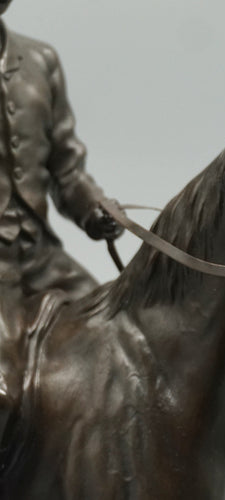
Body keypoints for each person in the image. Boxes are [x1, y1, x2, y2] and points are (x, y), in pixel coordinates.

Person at [0, 0, 122, 422]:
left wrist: (95, 209)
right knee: (3, 389)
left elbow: (66, 169)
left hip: (38, 255)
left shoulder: (40, 61)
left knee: (116, 334)